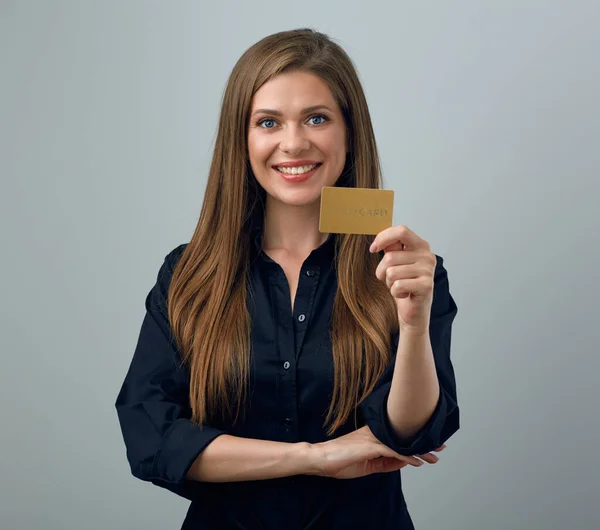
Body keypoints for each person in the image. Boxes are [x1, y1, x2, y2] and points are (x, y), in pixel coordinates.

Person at [115, 27, 459, 530]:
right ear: (243, 138)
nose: (293, 143)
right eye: (268, 122)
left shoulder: (402, 267)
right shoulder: (188, 275)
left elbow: (411, 435)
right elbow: (151, 436)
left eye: (317, 118)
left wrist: (412, 325)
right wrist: (313, 457)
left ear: (349, 132)